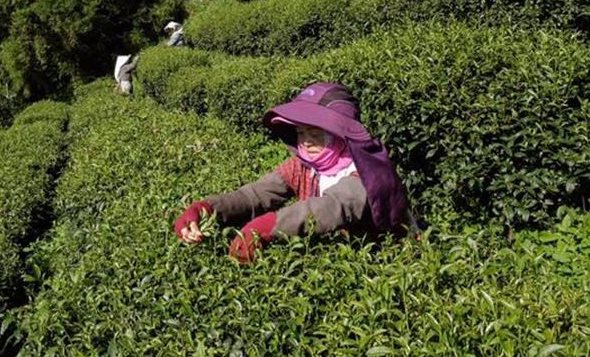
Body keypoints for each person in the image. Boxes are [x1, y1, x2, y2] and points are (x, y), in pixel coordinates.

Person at [173, 81, 418, 263]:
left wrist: (266, 227)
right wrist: (206, 209)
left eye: (316, 133)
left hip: (384, 264)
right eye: (301, 133)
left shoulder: (367, 172)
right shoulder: (305, 166)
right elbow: (255, 195)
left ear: (340, 135)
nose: (307, 142)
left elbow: (331, 208)